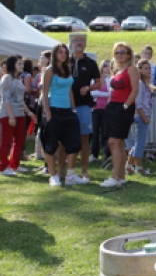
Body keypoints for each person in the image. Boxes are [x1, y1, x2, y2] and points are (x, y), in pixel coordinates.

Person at [41, 44, 82, 187]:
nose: (63, 55)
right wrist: (48, 113)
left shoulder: (67, 69)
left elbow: (69, 90)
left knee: (74, 143)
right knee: (51, 144)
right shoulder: (50, 70)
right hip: (54, 109)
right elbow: (44, 92)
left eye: (65, 52)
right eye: (60, 52)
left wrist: (73, 108)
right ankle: (53, 176)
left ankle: (70, 175)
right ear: (55, 54)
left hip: (68, 111)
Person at [101, 42, 139, 188]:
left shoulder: (132, 69)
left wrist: (125, 106)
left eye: (123, 52)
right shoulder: (117, 69)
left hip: (123, 107)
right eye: (117, 52)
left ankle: (115, 177)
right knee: (119, 142)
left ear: (129, 54)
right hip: (113, 106)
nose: (119, 55)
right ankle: (121, 176)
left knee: (114, 142)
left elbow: (135, 90)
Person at [66, 33, 102, 184]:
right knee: (64, 138)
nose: (79, 43)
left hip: (84, 104)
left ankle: (84, 170)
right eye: (76, 41)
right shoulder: (65, 61)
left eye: (82, 41)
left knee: (84, 138)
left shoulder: (90, 62)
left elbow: (99, 83)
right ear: (71, 44)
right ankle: (64, 170)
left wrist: (88, 88)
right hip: (65, 104)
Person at [0, 56, 33, 176]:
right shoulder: (7, 78)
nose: (22, 66)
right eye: (19, 64)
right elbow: (5, 99)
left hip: (20, 113)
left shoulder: (19, 79)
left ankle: (15, 164)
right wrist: (11, 116)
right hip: (7, 113)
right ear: (13, 65)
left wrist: (29, 112)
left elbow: (20, 100)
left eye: (22, 64)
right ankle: (3, 166)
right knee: (6, 140)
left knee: (20, 140)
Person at [126, 59, 153, 176]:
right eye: (146, 68)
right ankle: (139, 167)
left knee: (139, 142)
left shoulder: (144, 83)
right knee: (140, 143)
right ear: (140, 70)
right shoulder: (140, 84)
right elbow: (138, 103)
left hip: (144, 114)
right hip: (141, 115)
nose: (148, 71)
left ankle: (129, 166)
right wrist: (144, 117)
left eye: (149, 68)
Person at [90, 60, 112, 163]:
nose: (106, 69)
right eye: (105, 66)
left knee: (105, 132)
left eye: (108, 67)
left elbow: (110, 94)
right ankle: (94, 154)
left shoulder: (110, 80)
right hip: (95, 109)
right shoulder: (95, 80)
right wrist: (104, 94)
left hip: (106, 109)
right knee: (95, 132)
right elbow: (92, 93)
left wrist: (99, 93)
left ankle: (106, 154)